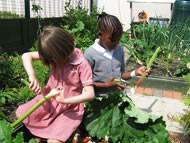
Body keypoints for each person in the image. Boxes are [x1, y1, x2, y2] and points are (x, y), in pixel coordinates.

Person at [16, 26, 95, 143]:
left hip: (69, 107)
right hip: (49, 100)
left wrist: (65, 100)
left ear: (61, 52)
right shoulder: (56, 54)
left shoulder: (82, 65)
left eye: (52, 58)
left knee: (53, 141)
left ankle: (67, 132)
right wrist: (32, 77)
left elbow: (90, 94)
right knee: (20, 114)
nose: (52, 61)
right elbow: (26, 56)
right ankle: (42, 134)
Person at [84, 13, 151, 97]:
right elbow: (84, 83)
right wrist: (106, 85)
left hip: (119, 96)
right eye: (112, 40)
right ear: (100, 34)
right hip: (100, 100)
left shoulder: (119, 50)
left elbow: (121, 75)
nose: (115, 44)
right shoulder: (90, 54)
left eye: (118, 40)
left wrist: (135, 72)